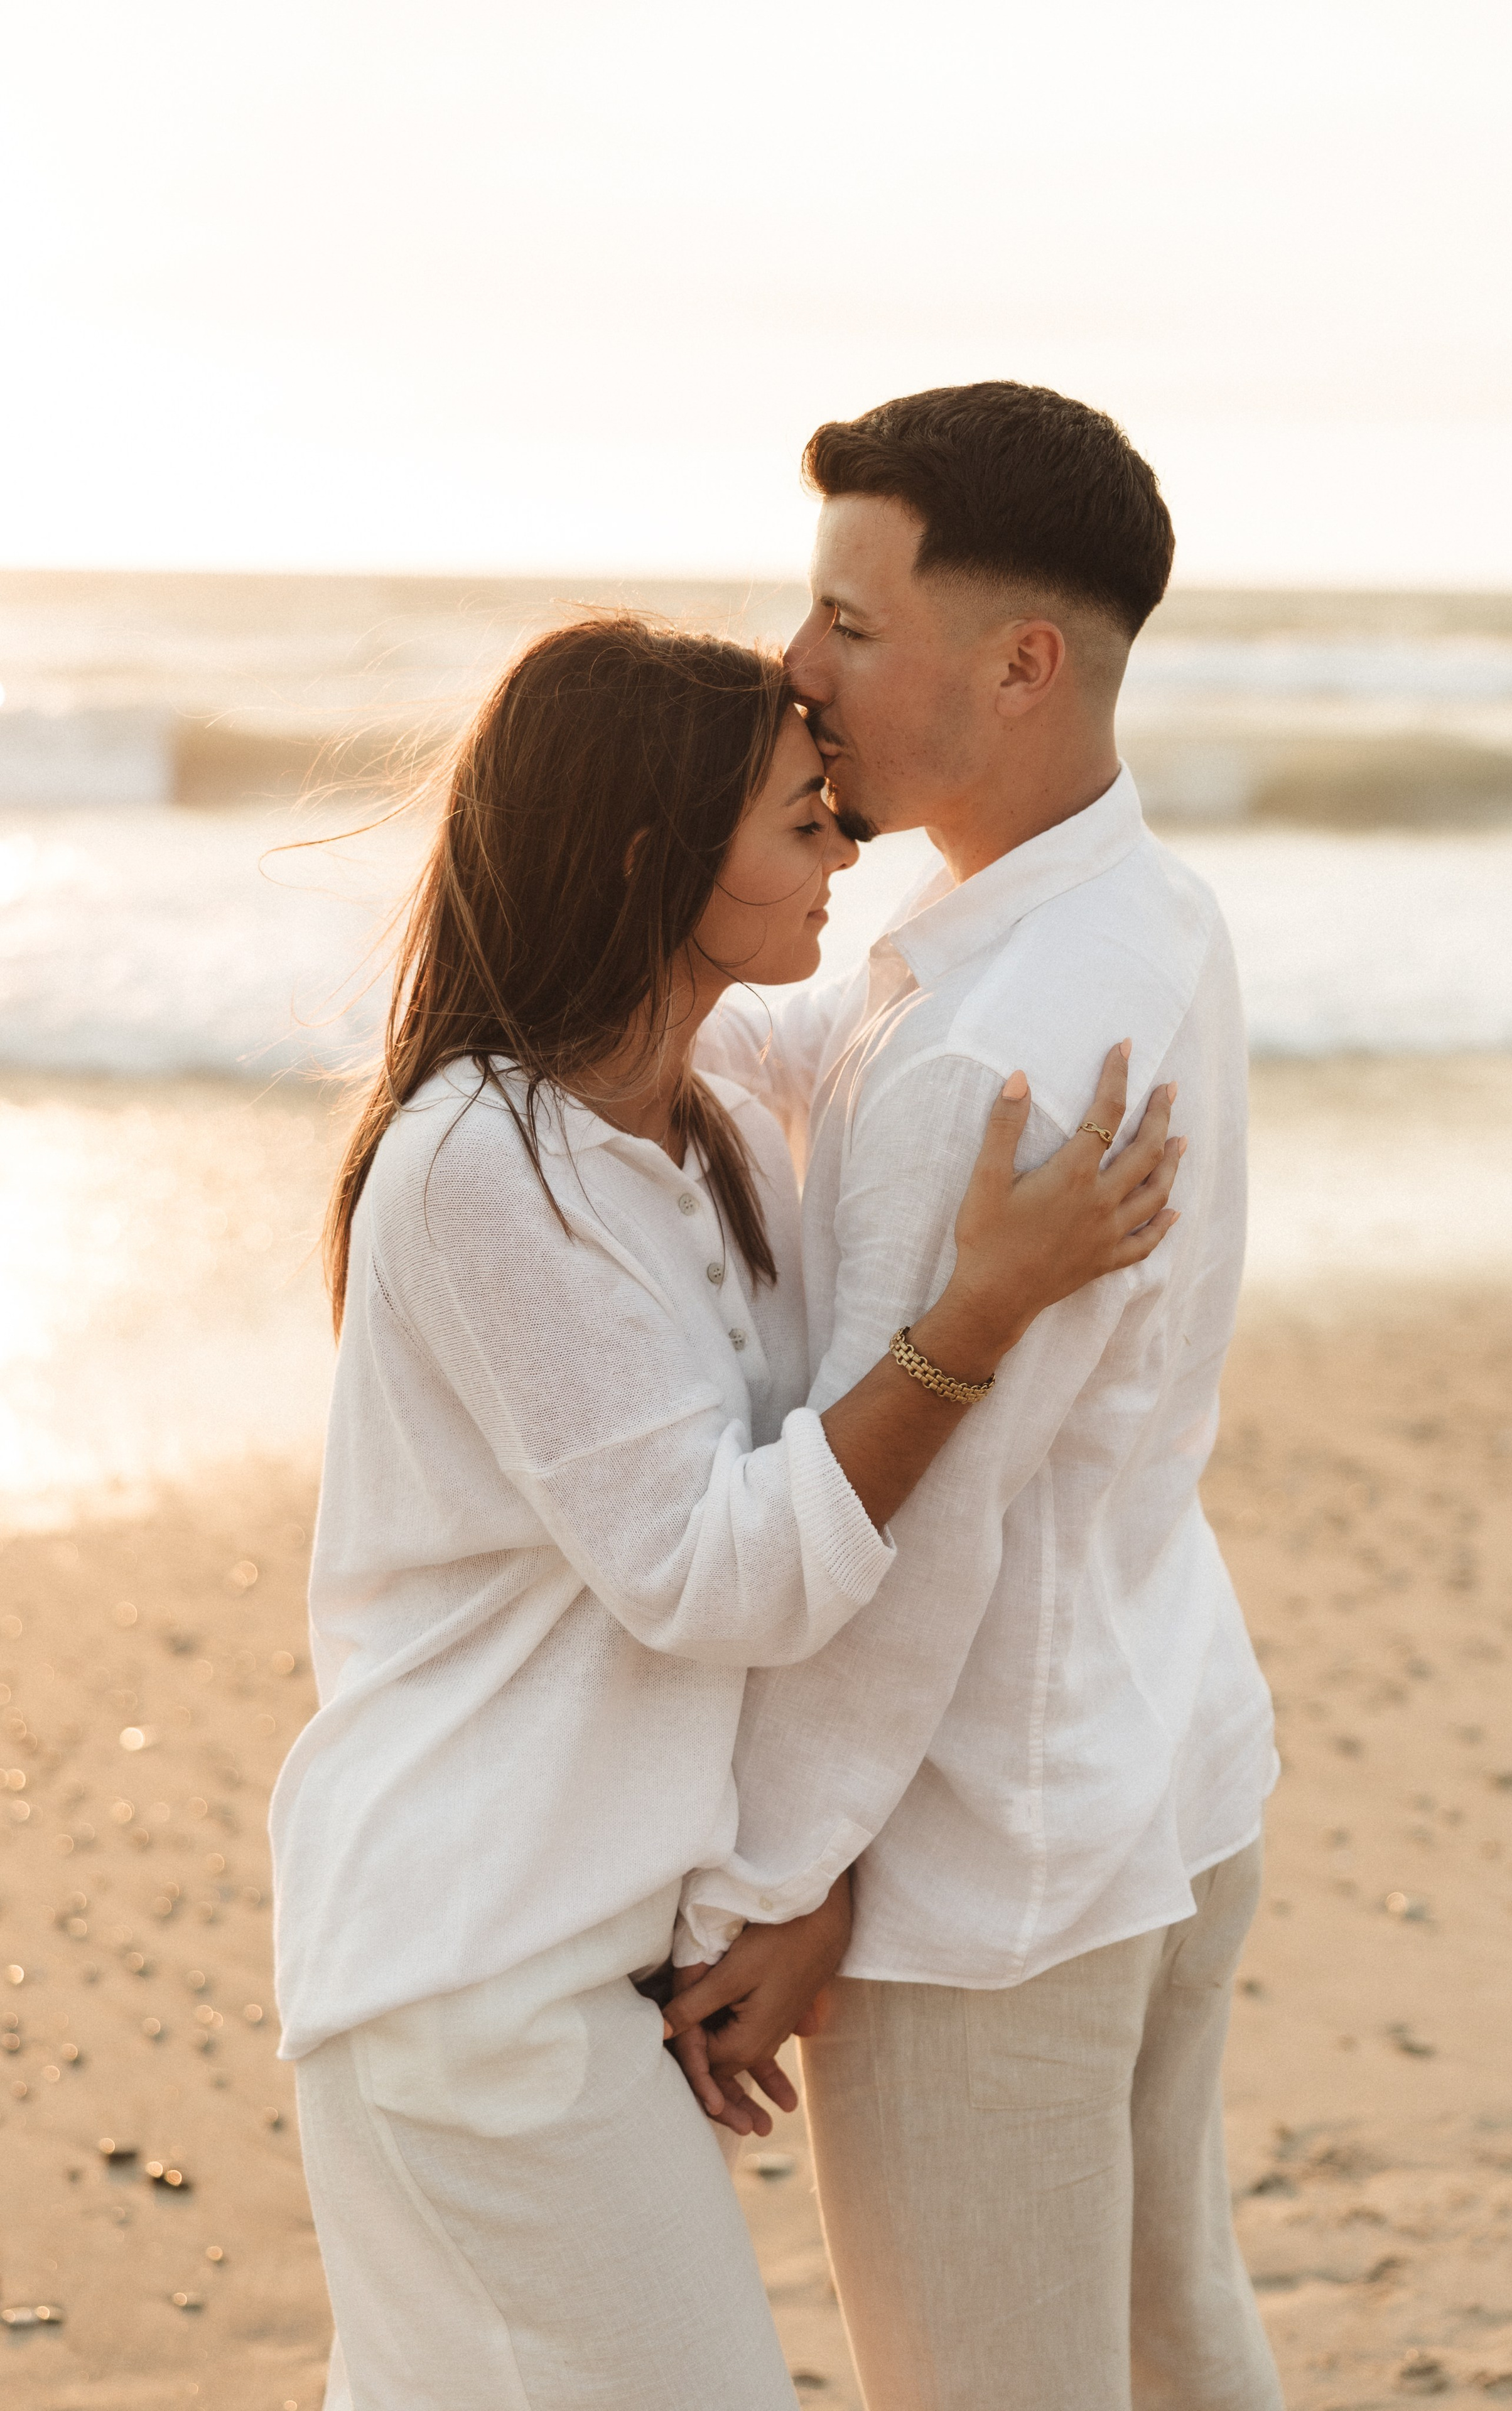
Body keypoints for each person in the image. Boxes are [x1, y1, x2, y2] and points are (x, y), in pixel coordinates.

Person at [267, 613, 1182, 2411]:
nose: (848, 851)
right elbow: (717, 1575)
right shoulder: (481, 1165)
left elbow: (969, 978)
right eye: (801, 820)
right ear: (649, 859)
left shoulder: (713, 1134)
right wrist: (979, 1315)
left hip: (572, 1955)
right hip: (469, 1968)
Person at [666, 384, 1285, 2411]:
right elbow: (807, 1054)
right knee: (1170, 2341)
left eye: (851, 619)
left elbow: (911, 1527)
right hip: (1162, 1761)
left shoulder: (988, 1052)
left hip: (989, 1872)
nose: (796, 665)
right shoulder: (1129, 911)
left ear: (1022, 661)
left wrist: (781, 1881)